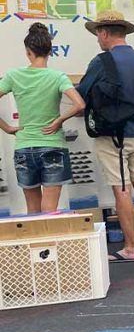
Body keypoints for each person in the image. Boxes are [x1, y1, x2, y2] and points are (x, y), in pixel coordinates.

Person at [78, 10, 134, 264]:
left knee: (122, 189)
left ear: (104, 32)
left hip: (114, 136)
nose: (97, 39)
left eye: (97, 34)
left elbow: (82, 93)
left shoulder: (102, 61)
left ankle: (131, 247)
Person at [0, 23, 85, 213]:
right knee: (49, 209)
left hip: (24, 146)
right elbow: (80, 104)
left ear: (28, 52)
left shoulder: (13, 76)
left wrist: (6, 128)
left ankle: (35, 243)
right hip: (52, 145)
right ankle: (50, 244)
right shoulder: (58, 77)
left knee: (32, 209)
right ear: (50, 52)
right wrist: (59, 120)